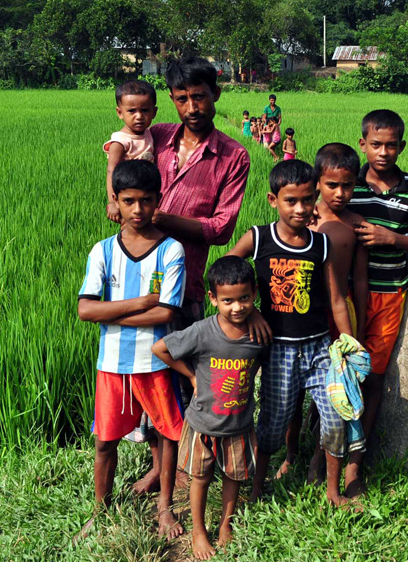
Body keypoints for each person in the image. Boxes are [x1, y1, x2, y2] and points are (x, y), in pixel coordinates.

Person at [129, 55, 251, 501]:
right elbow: (121, 150)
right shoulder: (157, 137)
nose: (191, 106)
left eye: (199, 96)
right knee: (147, 369)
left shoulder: (233, 155)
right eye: (181, 98)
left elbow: (220, 229)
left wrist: (162, 217)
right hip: (137, 274)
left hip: (188, 282)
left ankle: (183, 467)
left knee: (183, 374)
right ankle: (160, 464)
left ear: (216, 94)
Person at [225, 159, 358, 507]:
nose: (300, 209)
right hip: (279, 349)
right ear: (273, 200)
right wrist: (249, 311)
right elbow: (225, 271)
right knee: (273, 423)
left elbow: (336, 299)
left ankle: (333, 491)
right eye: (291, 201)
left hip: (318, 349)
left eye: (307, 200)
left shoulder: (321, 244)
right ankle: (256, 489)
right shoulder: (258, 238)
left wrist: (347, 346)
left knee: (334, 417)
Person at [75, 160, 187, 540]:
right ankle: (99, 511)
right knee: (105, 441)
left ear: (158, 199)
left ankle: (165, 508)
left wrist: (108, 315)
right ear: (116, 202)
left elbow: (168, 310)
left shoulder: (171, 250)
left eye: (146, 200)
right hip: (112, 364)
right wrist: (140, 303)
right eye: (128, 201)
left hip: (155, 361)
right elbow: (84, 309)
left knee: (167, 434)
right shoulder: (102, 250)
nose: (138, 210)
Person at [346, 109, 408, 496]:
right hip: (347, 295)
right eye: (376, 144)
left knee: (374, 375)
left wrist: (392, 238)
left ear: (402, 146)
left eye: (391, 145)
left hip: (389, 293)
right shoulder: (351, 185)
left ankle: (355, 465)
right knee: (340, 372)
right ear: (362, 144)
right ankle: (322, 454)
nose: (383, 152)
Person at [151, 256, 267, 560]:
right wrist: (191, 376)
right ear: (213, 299)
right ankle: (199, 530)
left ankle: (226, 525)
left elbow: (259, 363)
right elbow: (160, 348)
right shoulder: (202, 331)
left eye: (244, 298)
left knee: (234, 476)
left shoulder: (258, 334)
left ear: (254, 294)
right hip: (203, 423)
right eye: (228, 300)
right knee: (200, 478)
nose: (238, 307)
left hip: (239, 424)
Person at [279, 143, 370, 483]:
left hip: (338, 314)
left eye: (348, 185)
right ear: (317, 182)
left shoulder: (356, 224)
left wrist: (357, 330)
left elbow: (359, 281)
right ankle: (289, 455)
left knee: (332, 388)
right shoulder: (303, 216)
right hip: (299, 313)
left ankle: (319, 457)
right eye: (332, 185)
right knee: (294, 391)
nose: (341, 193)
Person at [104, 80, 158, 224]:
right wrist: (112, 202)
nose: (139, 116)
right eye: (132, 111)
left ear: (154, 112)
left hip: (147, 196)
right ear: (120, 113)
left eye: (145, 110)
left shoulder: (149, 134)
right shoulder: (120, 141)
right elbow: (111, 171)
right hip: (128, 199)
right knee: (129, 231)